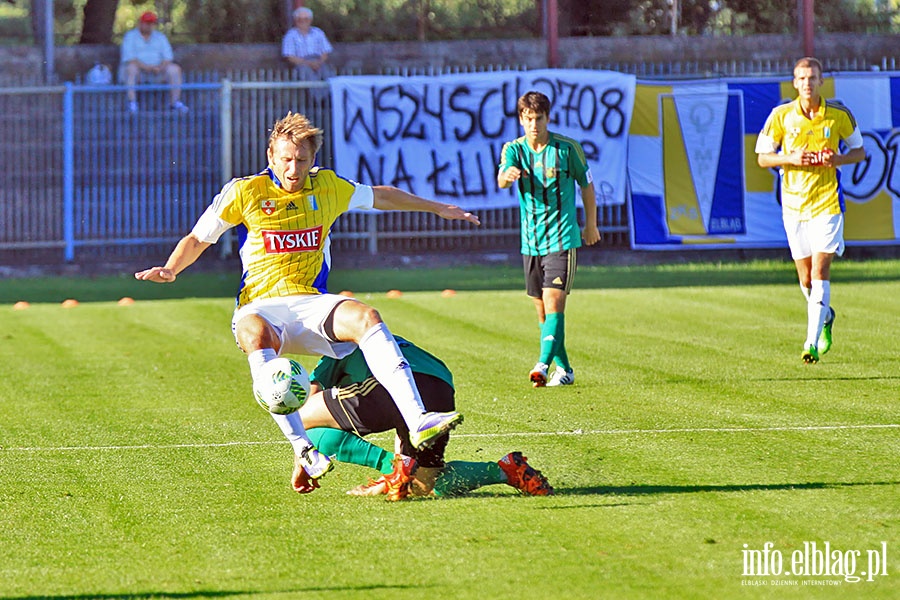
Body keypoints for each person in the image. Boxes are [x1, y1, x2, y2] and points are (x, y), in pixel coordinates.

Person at [135, 112, 479, 489]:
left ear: (313, 160)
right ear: (270, 156)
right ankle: (303, 448)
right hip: (261, 306)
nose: (293, 168)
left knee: (366, 316)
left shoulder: (328, 186)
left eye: (301, 160)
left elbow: (380, 195)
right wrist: (171, 268)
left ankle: (418, 420)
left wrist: (437, 207)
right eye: (285, 159)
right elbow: (199, 238)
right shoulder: (245, 191)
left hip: (310, 302)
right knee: (253, 332)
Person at [290, 336, 554, 500]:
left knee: (303, 420)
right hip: (439, 384)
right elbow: (401, 414)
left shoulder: (339, 349)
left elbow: (306, 410)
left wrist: (303, 465)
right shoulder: (384, 337)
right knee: (424, 484)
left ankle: (390, 468)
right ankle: (506, 470)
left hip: (391, 385)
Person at [755, 57, 866, 364]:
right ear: (794, 83)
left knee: (820, 271)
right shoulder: (781, 116)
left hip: (827, 204)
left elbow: (860, 151)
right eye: (802, 78)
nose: (807, 83)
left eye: (812, 78)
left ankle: (810, 343)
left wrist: (837, 160)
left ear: (821, 81)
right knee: (805, 280)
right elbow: (764, 158)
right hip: (793, 206)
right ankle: (826, 316)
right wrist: (789, 158)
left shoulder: (838, 115)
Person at [497, 91, 601, 388]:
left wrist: (590, 225)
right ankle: (565, 369)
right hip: (531, 242)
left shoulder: (567, 149)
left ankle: (542, 366)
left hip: (562, 238)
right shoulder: (513, 150)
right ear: (521, 119)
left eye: (538, 119)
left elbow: (587, 186)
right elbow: (502, 178)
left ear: (548, 118)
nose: (533, 125)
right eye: (527, 119)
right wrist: (509, 176)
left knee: (553, 302)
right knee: (542, 311)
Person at [120, 11, 189, 114]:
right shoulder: (130, 37)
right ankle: (132, 103)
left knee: (174, 69)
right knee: (131, 68)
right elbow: (130, 58)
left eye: (151, 23)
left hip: (157, 72)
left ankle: (175, 103)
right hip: (139, 72)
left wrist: (160, 67)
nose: (149, 26)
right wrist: (146, 67)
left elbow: (168, 57)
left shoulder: (160, 37)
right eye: (147, 23)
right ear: (140, 23)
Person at [281, 7, 335, 81]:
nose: (303, 22)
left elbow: (325, 51)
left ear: (310, 20)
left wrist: (319, 62)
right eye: (300, 19)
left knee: (328, 75)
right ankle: (316, 93)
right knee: (308, 75)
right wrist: (309, 63)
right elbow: (290, 57)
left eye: (306, 19)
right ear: (296, 21)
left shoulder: (318, 32)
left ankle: (328, 92)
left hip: (319, 61)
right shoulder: (290, 35)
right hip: (301, 64)